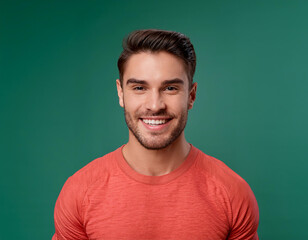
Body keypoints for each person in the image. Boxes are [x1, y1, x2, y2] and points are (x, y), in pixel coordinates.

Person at [52, 29, 259, 240]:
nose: (155, 105)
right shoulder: (79, 193)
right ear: (121, 93)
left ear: (191, 95)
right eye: (140, 88)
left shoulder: (232, 193)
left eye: (170, 88)